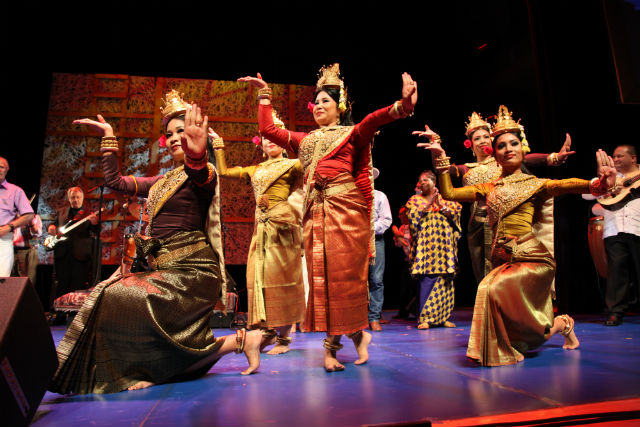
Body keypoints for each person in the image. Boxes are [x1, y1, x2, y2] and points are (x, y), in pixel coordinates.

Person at [49, 90, 262, 395]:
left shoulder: (204, 172)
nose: (176, 137)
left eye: (182, 131)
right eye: (170, 133)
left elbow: (199, 170)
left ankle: (152, 370)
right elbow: (117, 183)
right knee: (108, 294)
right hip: (164, 272)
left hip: (192, 272)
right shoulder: (162, 181)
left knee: (123, 296)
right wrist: (109, 137)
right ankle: (237, 342)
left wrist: (198, 153)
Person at [238, 64, 417, 371]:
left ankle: (333, 349)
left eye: (325, 101)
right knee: (322, 282)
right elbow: (268, 130)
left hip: (345, 213)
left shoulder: (351, 134)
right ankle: (357, 335)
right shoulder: (304, 140)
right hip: (314, 214)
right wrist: (264, 95)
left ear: (340, 107)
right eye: (316, 101)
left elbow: (374, 120)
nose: (318, 106)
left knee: (344, 281)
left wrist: (402, 107)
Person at [416, 105, 616, 366]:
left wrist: (599, 184)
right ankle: (563, 324)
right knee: (527, 327)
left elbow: (567, 185)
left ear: (523, 149)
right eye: (502, 146)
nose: (508, 148)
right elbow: (450, 194)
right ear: (494, 155)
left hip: (532, 258)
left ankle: (499, 352)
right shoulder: (488, 187)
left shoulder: (535, 185)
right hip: (503, 259)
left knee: (488, 288)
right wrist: (440, 157)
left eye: (514, 143)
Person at [415, 113, 575, 285]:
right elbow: (444, 170)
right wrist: (437, 149)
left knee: (507, 273)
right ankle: (488, 309)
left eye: (486, 137)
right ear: (470, 144)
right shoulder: (466, 169)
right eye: (477, 138)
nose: (483, 141)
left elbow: (527, 158)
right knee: (482, 274)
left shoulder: (502, 161)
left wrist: (554, 157)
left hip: (503, 224)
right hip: (476, 227)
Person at [211, 111, 306, 354]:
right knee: (260, 281)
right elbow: (223, 172)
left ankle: (284, 338)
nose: (269, 141)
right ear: (260, 144)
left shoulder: (294, 165)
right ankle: (268, 332)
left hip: (282, 230)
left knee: (282, 282)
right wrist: (218, 145)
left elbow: (313, 173)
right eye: (264, 137)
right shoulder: (256, 170)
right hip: (260, 231)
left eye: (273, 135)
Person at [405, 170, 462, 329]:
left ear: (434, 182)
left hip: (444, 246)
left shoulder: (447, 199)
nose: (422, 183)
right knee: (427, 279)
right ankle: (425, 318)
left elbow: (455, 216)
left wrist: (440, 205)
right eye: (420, 180)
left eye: (425, 180)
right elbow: (414, 220)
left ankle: (443, 317)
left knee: (445, 280)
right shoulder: (415, 200)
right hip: (426, 247)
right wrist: (430, 204)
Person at [595, 145, 640, 326]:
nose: (616, 159)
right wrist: (602, 180)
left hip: (638, 226)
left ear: (634, 158)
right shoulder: (610, 177)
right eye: (614, 156)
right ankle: (615, 312)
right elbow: (586, 196)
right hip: (614, 228)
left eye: (620, 156)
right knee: (617, 272)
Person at [48, 187, 99, 299]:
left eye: (78, 197)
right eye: (73, 198)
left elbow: (97, 232)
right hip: (63, 254)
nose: (75, 200)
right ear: (69, 199)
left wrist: (95, 223)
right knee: (61, 284)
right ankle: (60, 313)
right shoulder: (62, 212)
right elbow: (54, 225)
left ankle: (74, 314)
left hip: (80, 256)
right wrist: (51, 227)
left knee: (79, 285)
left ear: (82, 198)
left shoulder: (88, 214)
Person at [0, 157, 35, 276]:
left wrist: (9, 227)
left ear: (7, 170)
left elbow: (29, 215)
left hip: (3, 239)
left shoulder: (15, 191)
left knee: (1, 281)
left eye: (1, 167)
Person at [368, 167, 392, 331]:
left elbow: (386, 220)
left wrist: (368, 227)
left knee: (376, 279)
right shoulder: (352, 195)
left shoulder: (380, 196)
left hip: (375, 239)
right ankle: (356, 317)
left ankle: (374, 317)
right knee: (356, 281)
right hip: (355, 240)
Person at [13, 212, 42, 287]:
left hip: (28, 251)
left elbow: (37, 232)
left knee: (27, 281)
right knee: (11, 281)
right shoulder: (10, 217)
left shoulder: (34, 217)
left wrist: (29, 220)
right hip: (11, 251)